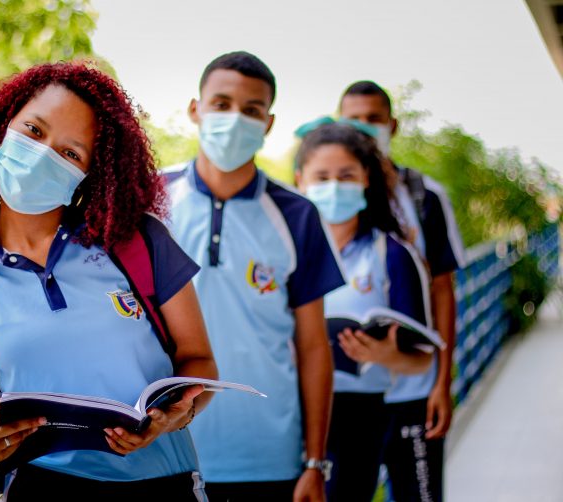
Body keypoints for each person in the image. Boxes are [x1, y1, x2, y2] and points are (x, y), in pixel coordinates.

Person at [0, 61, 219, 500]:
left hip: (164, 486)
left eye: (70, 153)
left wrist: (175, 416)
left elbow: (200, 363)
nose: (43, 155)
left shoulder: (140, 242)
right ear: (3, 126)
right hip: (40, 489)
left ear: (89, 175)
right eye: (34, 132)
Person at [162, 51, 345, 501]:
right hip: (163, 451)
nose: (234, 119)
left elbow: (313, 346)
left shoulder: (297, 214)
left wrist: (315, 462)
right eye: (221, 104)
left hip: (269, 458)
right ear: (195, 109)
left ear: (268, 122)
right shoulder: (150, 200)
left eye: (251, 110)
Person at [293, 120, 435, 502]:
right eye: (321, 176)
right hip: (289, 407)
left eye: (346, 175)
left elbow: (423, 358)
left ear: (366, 178)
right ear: (299, 180)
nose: (334, 186)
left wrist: (388, 356)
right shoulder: (282, 250)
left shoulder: (393, 255)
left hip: (360, 413)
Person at [338, 80, 465, 502]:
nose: (364, 128)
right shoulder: (325, 198)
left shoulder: (424, 196)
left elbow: (444, 289)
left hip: (413, 391)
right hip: (346, 398)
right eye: (353, 119)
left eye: (373, 119)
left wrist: (441, 383)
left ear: (392, 124)